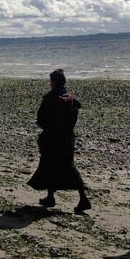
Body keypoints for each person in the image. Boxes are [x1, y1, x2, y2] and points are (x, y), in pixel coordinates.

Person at [28, 69, 91, 213]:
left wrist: (47, 129)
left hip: (53, 137)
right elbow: (74, 116)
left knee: (56, 165)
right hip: (68, 136)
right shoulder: (70, 98)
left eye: (51, 81)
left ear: (54, 82)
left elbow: (41, 119)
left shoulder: (51, 98)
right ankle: (51, 197)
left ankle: (83, 198)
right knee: (60, 164)